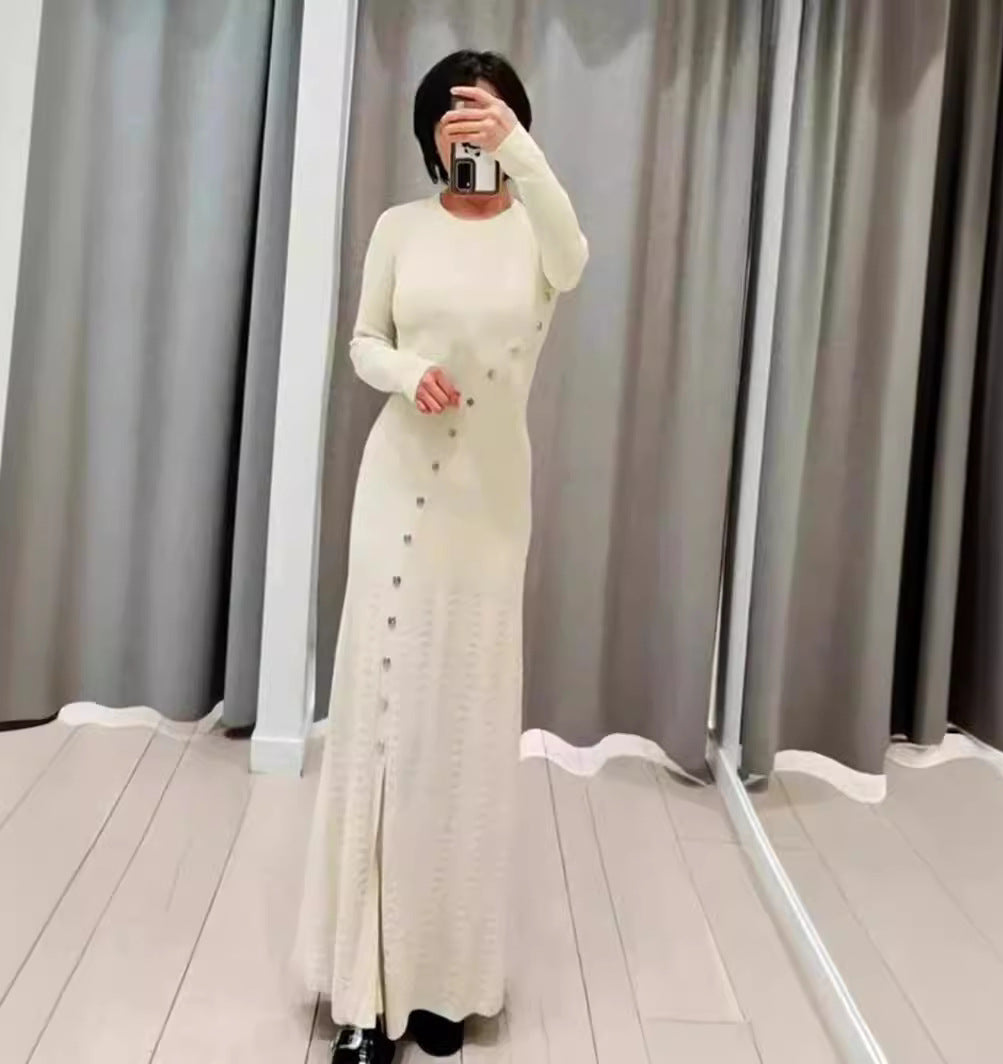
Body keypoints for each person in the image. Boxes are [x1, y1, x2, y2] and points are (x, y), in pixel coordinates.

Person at [293, 49, 588, 1064]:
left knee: (461, 730)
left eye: (489, 118)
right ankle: (364, 993)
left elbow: (575, 258)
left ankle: (442, 981)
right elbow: (362, 340)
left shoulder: (538, 233)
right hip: (394, 496)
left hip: (487, 510)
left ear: (515, 126)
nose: (471, 135)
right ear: (428, 134)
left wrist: (521, 150)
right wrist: (406, 369)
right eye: (454, 120)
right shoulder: (399, 228)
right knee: (381, 723)